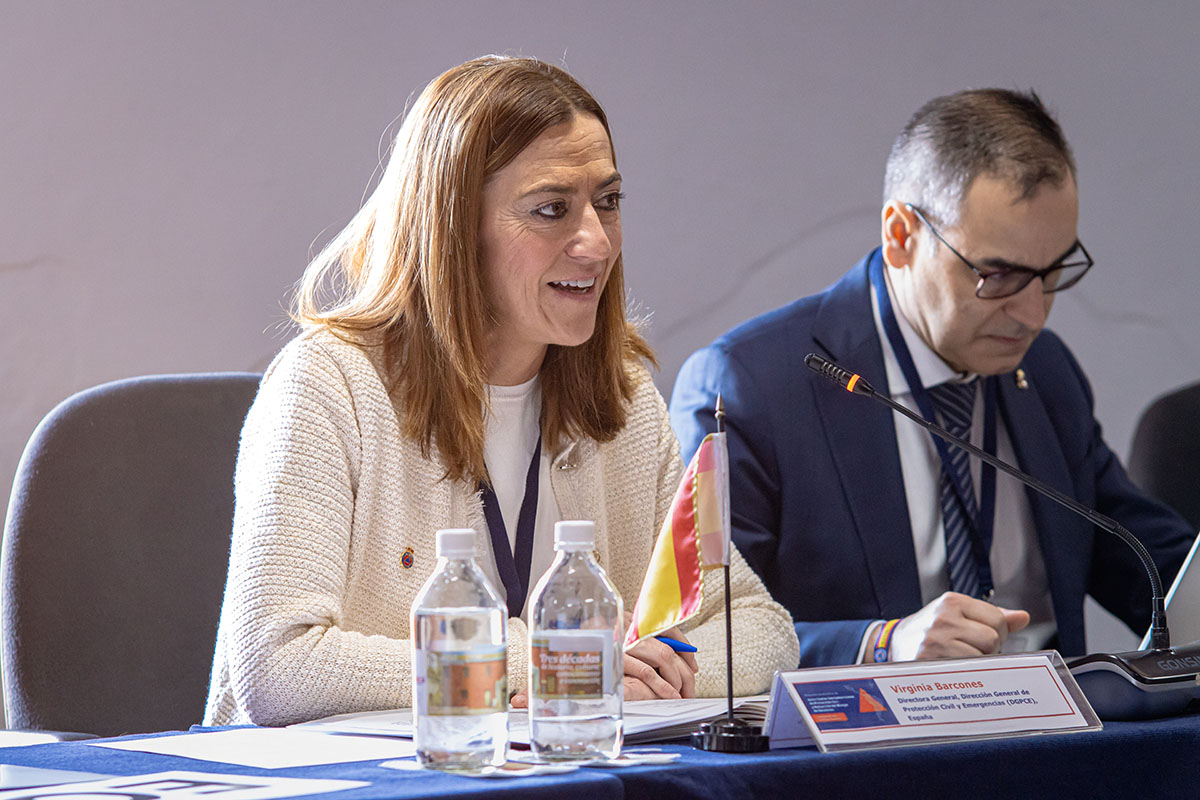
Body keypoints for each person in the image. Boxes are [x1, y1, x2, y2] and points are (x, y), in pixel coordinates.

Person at [204, 56, 797, 727]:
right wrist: (557, 663)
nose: (597, 243)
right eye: (551, 210)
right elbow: (279, 666)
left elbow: (759, 626)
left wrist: (657, 671)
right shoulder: (326, 384)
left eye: (607, 202)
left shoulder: (621, 392)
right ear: (455, 228)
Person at [670, 89, 1194, 669]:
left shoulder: (1045, 371)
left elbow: (1151, 566)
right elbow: (700, 636)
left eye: (1053, 273)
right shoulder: (749, 386)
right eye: (998, 275)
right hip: (863, 751)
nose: (1033, 314)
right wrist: (880, 643)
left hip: (1055, 742)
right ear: (900, 236)